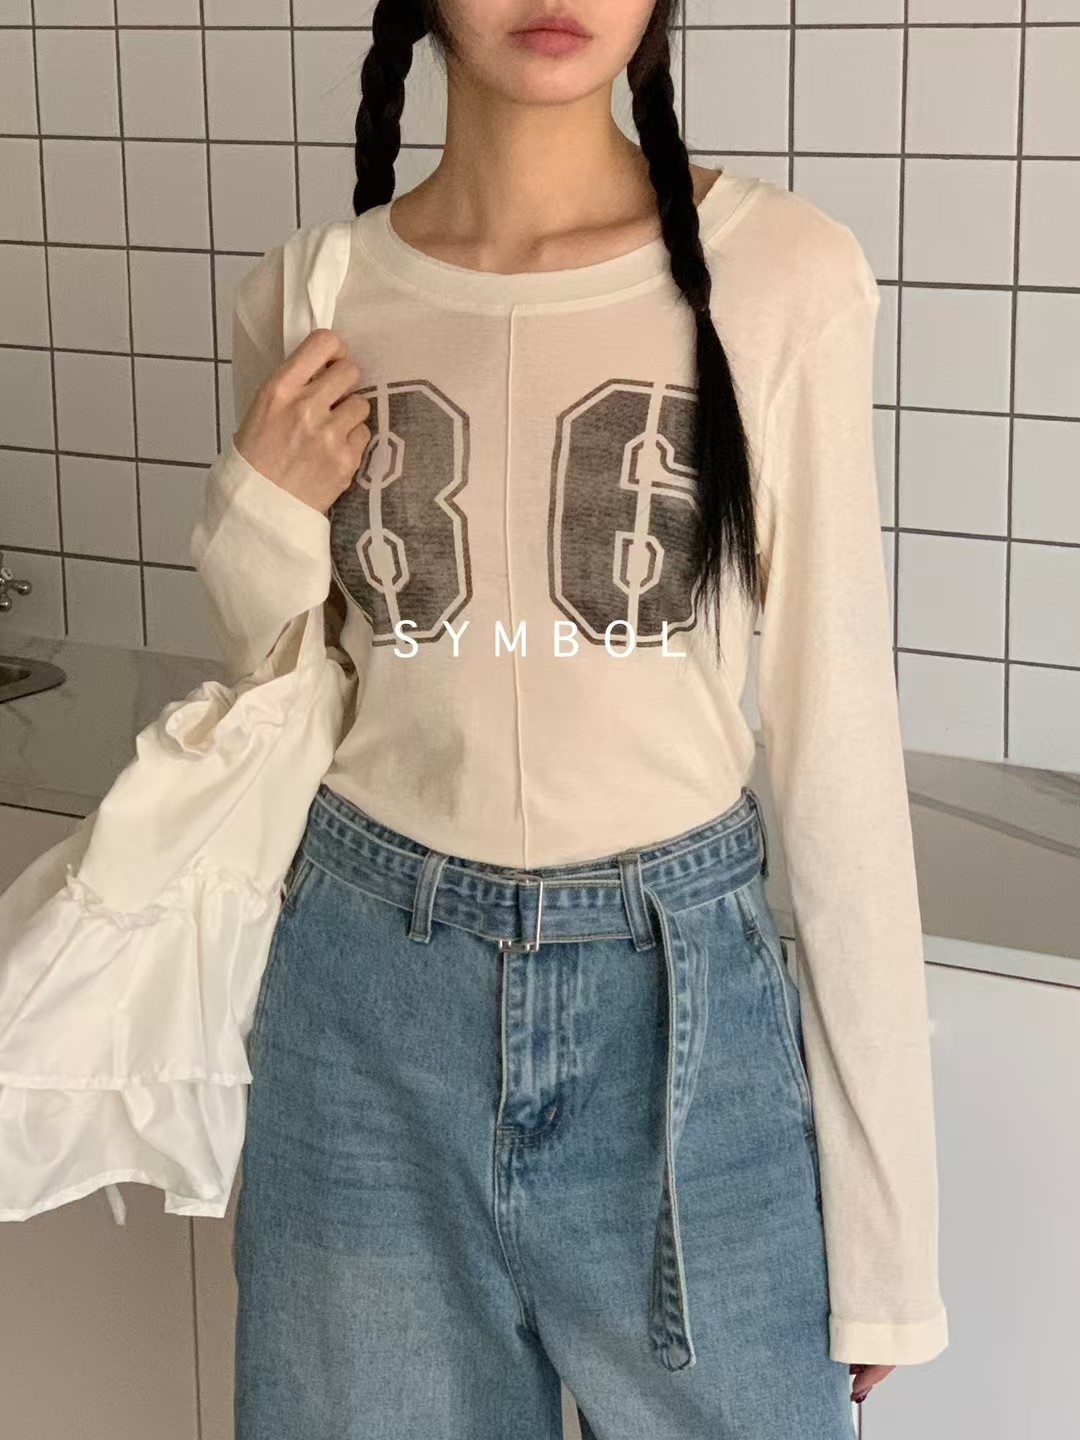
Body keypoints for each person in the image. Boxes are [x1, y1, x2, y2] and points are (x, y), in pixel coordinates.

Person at [190, 2, 948, 1436]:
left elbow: (838, 739)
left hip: (681, 1016)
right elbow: (277, 696)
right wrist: (259, 506)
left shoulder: (781, 274)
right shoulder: (308, 291)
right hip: (364, 1010)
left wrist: (887, 1233)